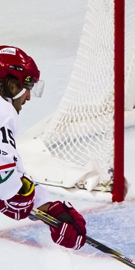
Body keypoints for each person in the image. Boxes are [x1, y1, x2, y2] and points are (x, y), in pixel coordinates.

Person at [0, 46, 87, 249]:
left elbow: (12, 172)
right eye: (26, 86)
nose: (28, 97)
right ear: (10, 83)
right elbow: (5, 180)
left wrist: (49, 207)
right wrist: (14, 194)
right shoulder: (3, 111)